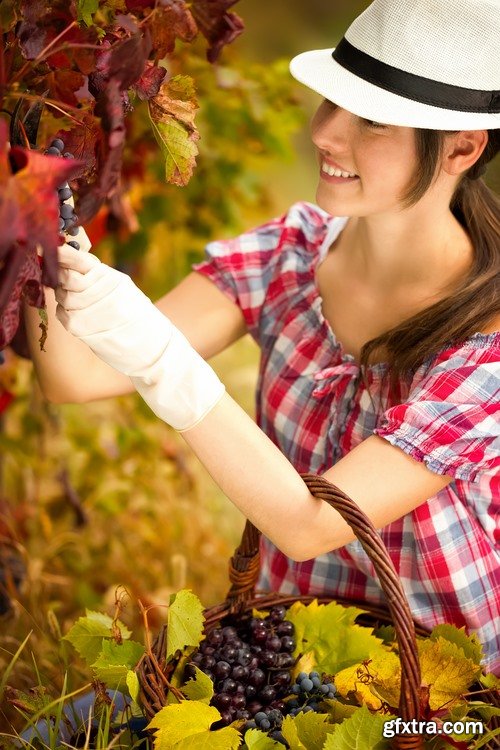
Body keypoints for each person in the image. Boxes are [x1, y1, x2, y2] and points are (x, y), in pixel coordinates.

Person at [25, 0, 500, 676]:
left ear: (462, 146)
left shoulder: (488, 348)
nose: (327, 134)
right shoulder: (291, 253)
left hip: (441, 683)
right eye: (331, 103)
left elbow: (308, 525)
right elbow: (75, 376)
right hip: (287, 655)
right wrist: (41, 233)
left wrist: (163, 359)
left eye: (371, 121)